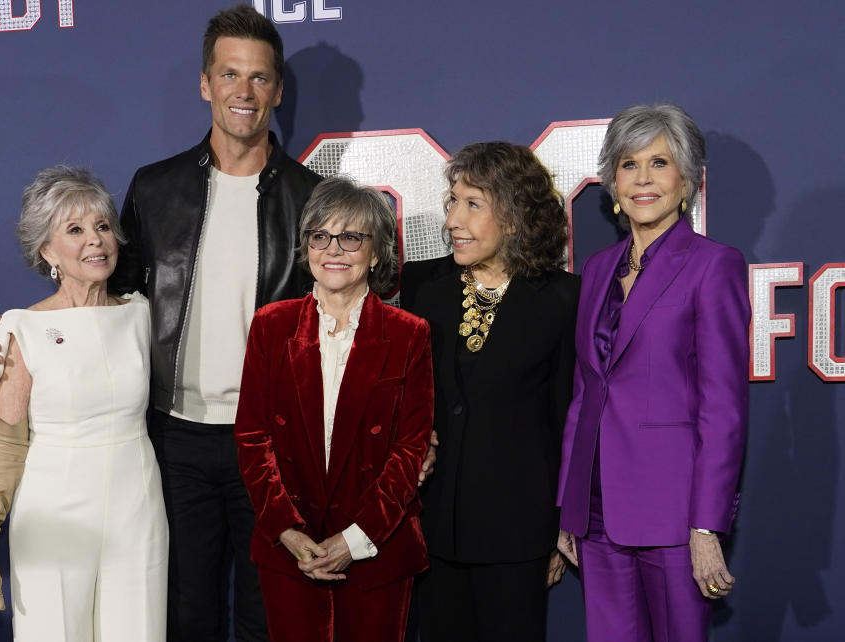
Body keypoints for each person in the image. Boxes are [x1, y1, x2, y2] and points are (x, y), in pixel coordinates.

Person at [0, 7, 320, 640]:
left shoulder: (310, 199)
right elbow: (106, 298)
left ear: (276, 89)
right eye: (228, 75)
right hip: (174, 442)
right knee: (179, 616)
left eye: (259, 78)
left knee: (268, 616)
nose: (243, 93)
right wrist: (13, 338)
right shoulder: (157, 189)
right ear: (204, 84)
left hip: (268, 442)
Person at [555, 103, 750, 642]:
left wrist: (706, 525)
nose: (643, 179)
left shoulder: (714, 265)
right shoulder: (596, 269)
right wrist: (570, 508)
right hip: (595, 510)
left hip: (672, 513)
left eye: (659, 163)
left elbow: (724, 408)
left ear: (686, 179)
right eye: (628, 164)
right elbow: (584, 394)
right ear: (612, 183)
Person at [0, 166, 167, 640]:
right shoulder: (19, 330)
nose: (95, 241)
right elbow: (9, 446)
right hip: (52, 517)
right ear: (47, 251)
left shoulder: (141, 314)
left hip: (138, 511)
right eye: (74, 230)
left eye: (101, 227)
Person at [235, 176, 433, 642]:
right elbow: (251, 438)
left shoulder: (409, 333)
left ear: (378, 250)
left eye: (351, 237)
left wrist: (355, 540)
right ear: (306, 248)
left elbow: (411, 448)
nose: (333, 250)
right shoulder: (271, 325)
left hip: (376, 551)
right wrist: (287, 531)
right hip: (291, 551)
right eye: (320, 236)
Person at [400, 142, 579, 641]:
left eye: (472, 204)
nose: (454, 219)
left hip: (517, 533)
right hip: (434, 529)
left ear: (516, 217)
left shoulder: (563, 300)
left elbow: (565, 421)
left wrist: (556, 531)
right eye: (451, 202)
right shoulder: (421, 286)